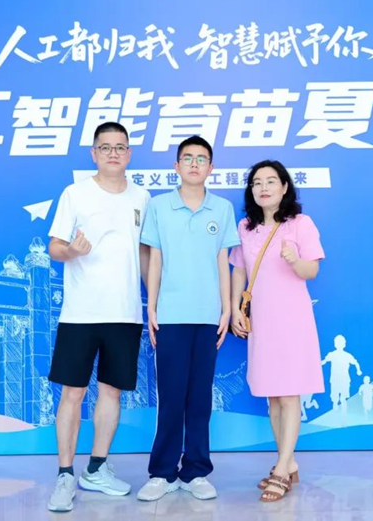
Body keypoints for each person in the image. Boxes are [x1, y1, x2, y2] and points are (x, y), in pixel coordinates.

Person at [45, 122, 151, 513]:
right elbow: (55, 246)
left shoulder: (143, 197)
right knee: (72, 393)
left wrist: (155, 300)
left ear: (129, 154)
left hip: (125, 312)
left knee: (111, 392)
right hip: (80, 313)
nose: (113, 153)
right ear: (94, 153)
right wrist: (72, 251)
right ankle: (64, 475)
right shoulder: (75, 193)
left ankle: (97, 468)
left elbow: (145, 254)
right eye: (105, 147)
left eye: (120, 147)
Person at [136, 136, 240, 502]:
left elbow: (223, 261)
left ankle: (195, 470)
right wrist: (152, 306)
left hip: (208, 315)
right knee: (171, 396)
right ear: (176, 166)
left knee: (199, 398)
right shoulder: (160, 206)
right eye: (188, 158)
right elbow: (155, 259)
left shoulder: (222, 209)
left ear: (211, 168)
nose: (194, 164)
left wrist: (226, 309)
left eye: (201, 159)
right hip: (170, 314)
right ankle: (162, 472)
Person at [229, 160, 325, 503]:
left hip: (292, 319)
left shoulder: (300, 224)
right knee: (272, 396)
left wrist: (294, 260)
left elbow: (311, 271)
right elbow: (239, 271)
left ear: (285, 187)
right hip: (262, 320)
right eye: (257, 182)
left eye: (271, 181)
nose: (264, 187)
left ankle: (282, 468)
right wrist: (236, 309)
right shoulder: (245, 227)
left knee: (288, 395)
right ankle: (289, 461)